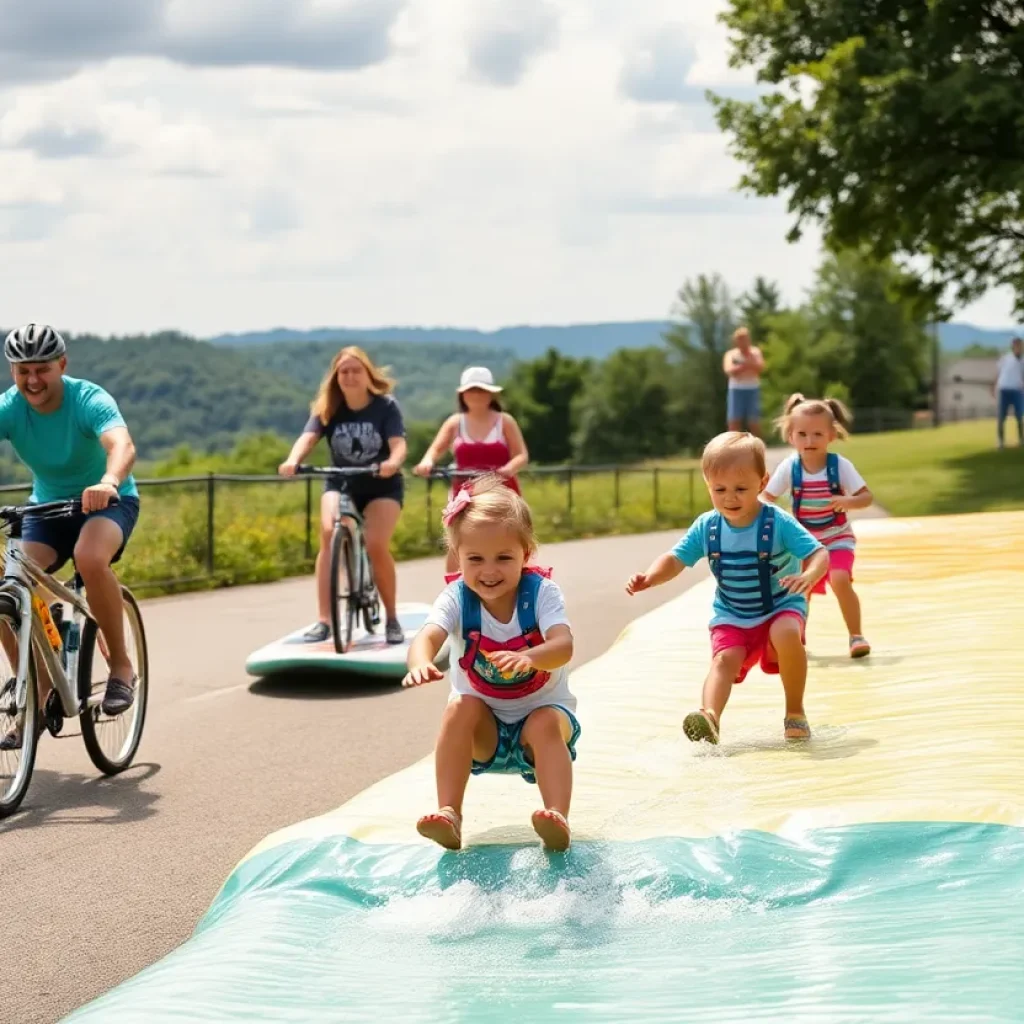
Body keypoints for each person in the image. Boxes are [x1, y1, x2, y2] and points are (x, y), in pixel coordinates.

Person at [402, 476, 578, 852]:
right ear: (457, 556)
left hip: (541, 725)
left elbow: (563, 645)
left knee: (545, 721)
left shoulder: (541, 593)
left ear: (526, 552)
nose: (489, 571)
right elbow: (428, 636)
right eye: (475, 559)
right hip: (486, 734)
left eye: (504, 557)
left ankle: (556, 817)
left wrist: (529, 657)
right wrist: (419, 661)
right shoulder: (456, 598)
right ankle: (450, 812)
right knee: (457, 709)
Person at [626, 432, 826, 746]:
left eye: (741, 489)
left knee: (786, 633)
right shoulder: (708, 526)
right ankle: (710, 718)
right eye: (719, 490)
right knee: (723, 660)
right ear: (707, 485)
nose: (730, 498)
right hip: (733, 613)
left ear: (762, 483)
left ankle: (795, 711)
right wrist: (651, 577)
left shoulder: (778, 523)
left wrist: (810, 575)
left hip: (781, 605)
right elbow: (676, 559)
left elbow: (819, 553)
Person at [0, 324, 142, 750]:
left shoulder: (87, 399)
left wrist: (109, 479)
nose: (33, 380)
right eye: (23, 370)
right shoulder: (10, 407)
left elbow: (122, 444)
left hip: (106, 501)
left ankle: (120, 668)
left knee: (90, 558)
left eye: (42, 369)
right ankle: (34, 688)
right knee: (9, 586)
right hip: (45, 508)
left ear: (62, 365)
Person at [279, 346, 408, 645]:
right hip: (341, 481)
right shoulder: (328, 407)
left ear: (367, 374)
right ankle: (324, 620)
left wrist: (392, 463)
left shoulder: (385, 406)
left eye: (355, 371)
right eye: (343, 372)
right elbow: (308, 437)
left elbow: (398, 444)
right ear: (336, 377)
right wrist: (293, 459)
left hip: (380, 484)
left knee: (376, 544)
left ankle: (391, 618)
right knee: (328, 533)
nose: (349, 376)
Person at [762, 394, 874, 658]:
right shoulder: (790, 467)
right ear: (791, 437)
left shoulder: (840, 466)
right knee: (801, 588)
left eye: (817, 434)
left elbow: (866, 497)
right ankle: (797, 639)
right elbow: (766, 497)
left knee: (840, 579)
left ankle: (856, 636)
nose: (809, 441)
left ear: (831, 436)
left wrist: (847, 500)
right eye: (802, 434)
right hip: (805, 544)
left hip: (837, 537)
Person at [413, 366, 529, 572]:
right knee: (456, 541)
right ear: (462, 394)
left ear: (491, 394)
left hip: (500, 490)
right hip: (464, 492)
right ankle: (454, 593)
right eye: (471, 390)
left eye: (482, 390)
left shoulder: (505, 422)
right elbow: (435, 450)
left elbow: (521, 455)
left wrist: (507, 469)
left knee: (507, 539)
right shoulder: (455, 422)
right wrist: (427, 462)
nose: (476, 395)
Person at [723, 327, 765, 435]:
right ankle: (733, 447)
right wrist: (746, 365)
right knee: (734, 421)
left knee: (754, 420)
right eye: (740, 339)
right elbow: (729, 370)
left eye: (745, 338)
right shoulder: (731, 354)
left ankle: (757, 447)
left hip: (753, 388)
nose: (743, 342)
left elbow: (760, 367)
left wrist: (742, 365)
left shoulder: (755, 352)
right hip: (736, 389)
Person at [993, 336, 1023, 449]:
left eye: (1020, 345)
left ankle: (1021, 440)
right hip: (1004, 389)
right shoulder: (1005, 359)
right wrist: (993, 386)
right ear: (1013, 347)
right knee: (1001, 417)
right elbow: (998, 373)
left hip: (1017, 390)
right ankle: (1000, 441)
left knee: (1019, 416)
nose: (1019, 348)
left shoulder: (1023, 360)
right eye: (1016, 345)